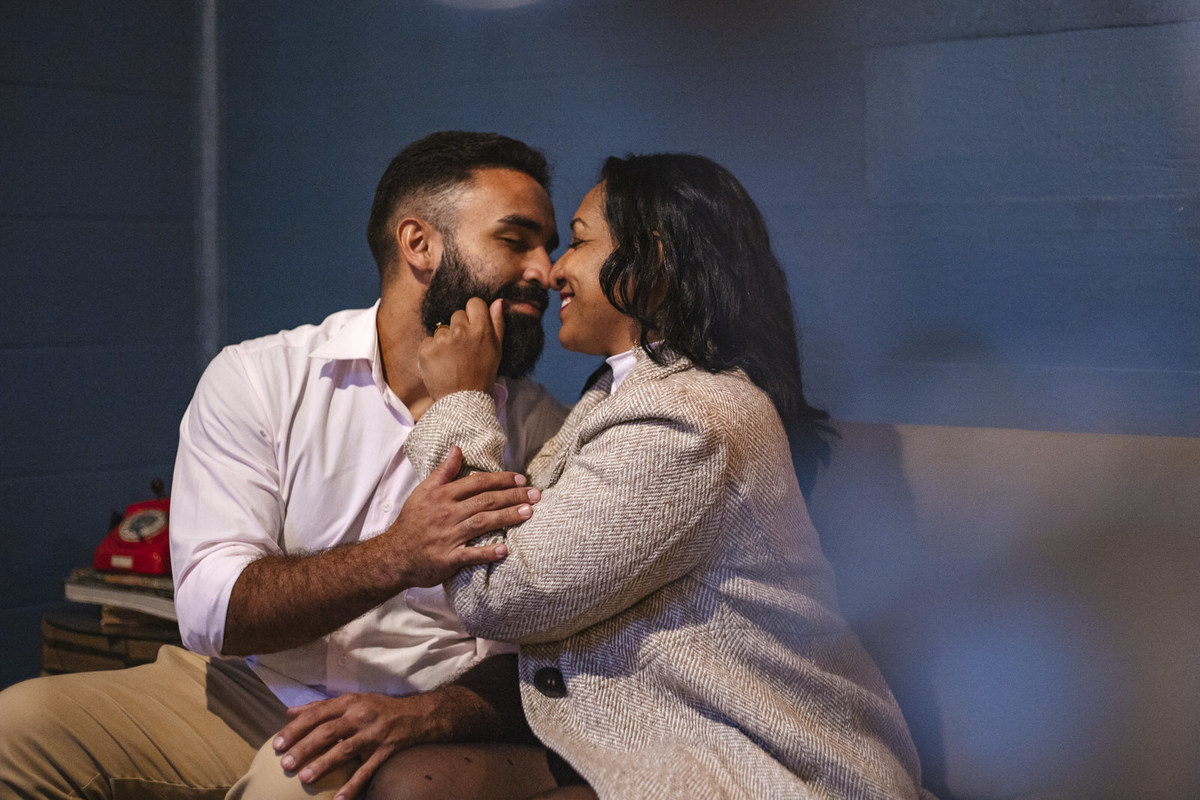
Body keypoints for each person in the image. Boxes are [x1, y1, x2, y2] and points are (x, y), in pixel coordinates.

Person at [0, 131, 573, 799]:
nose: (546, 270)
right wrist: (398, 555)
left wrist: (428, 715)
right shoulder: (260, 379)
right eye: (516, 240)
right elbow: (213, 610)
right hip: (253, 686)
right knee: (19, 726)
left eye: (550, 246)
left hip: (426, 710)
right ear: (419, 243)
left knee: (289, 788)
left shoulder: (547, 432)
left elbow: (557, 656)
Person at [377, 153, 934, 799]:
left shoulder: (688, 418)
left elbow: (500, 596)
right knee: (412, 784)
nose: (554, 271)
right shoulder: (621, 395)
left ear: (653, 260)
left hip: (762, 764)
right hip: (657, 744)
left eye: (578, 242)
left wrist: (458, 403)